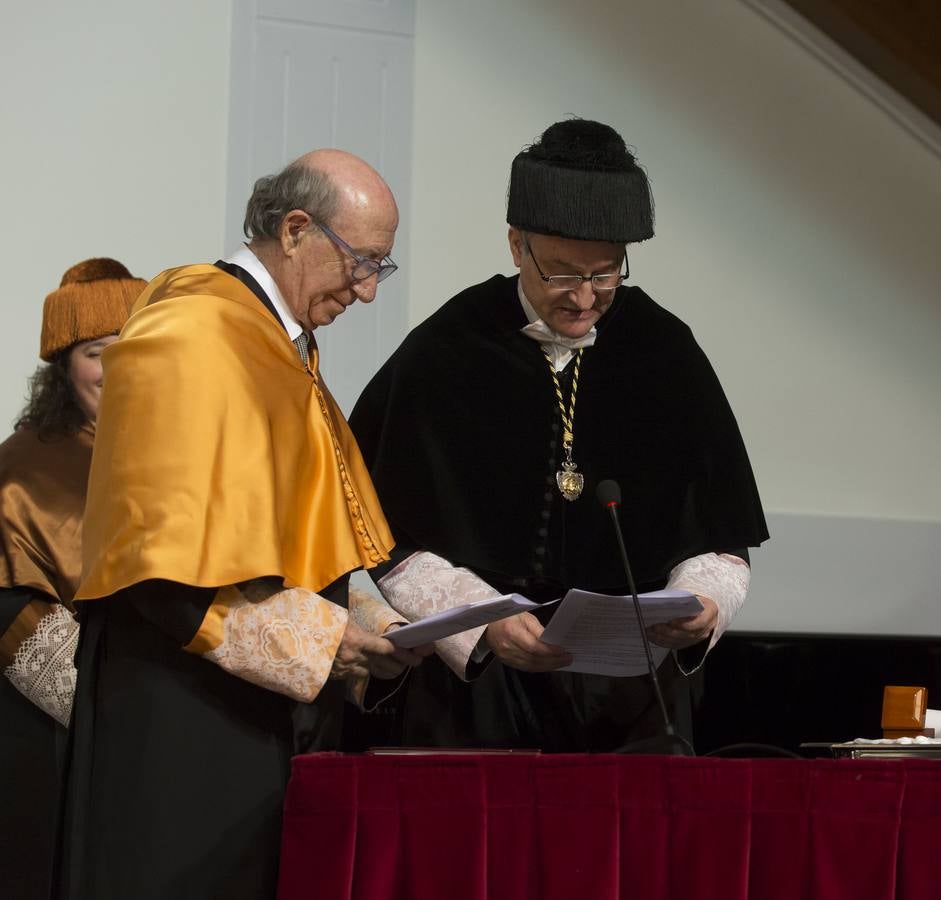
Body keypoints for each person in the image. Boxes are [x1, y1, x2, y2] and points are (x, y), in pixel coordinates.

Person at [56, 150, 421, 900]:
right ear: (294, 229)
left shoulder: (276, 339)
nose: (366, 290)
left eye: (380, 268)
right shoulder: (192, 329)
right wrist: (323, 642)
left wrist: (378, 624)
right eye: (360, 262)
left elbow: (302, 527)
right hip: (179, 717)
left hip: (250, 719)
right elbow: (155, 566)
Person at [350, 118, 769, 752]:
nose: (583, 298)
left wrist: (703, 602)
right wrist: (479, 619)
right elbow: (382, 534)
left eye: (605, 275)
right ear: (517, 245)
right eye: (563, 274)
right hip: (478, 692)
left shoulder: (664, 350)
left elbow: (720, 534)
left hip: (630, 697)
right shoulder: (446, 350)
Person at [0, 259, 139, 900]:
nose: (114, 367)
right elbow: (11, 610)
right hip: (51, 732)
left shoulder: (172, 461)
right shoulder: (20, 470)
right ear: (64, 363)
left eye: (129, 349)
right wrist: (119, 716)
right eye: (94, 351)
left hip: (163, 723)